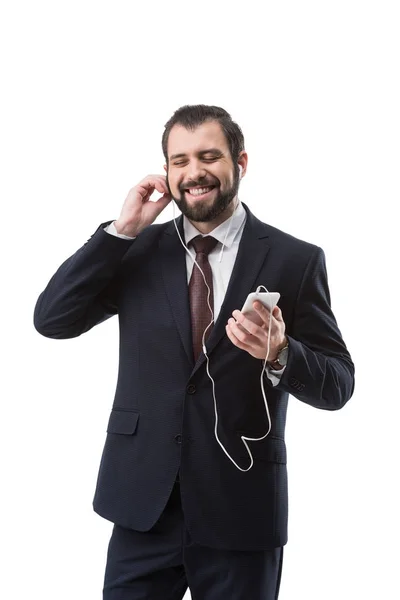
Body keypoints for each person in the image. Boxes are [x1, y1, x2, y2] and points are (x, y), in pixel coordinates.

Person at [33, 104, 355, 599]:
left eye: (209, 156)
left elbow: (338, 384)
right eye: (179, 161)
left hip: (241, 508)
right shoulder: (137, 249)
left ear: (239, 164)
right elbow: (52, 319)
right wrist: (120, 232)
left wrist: (281, 352)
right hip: (143, 503)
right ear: (166, 172)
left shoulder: (295, 259)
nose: (194, 172)